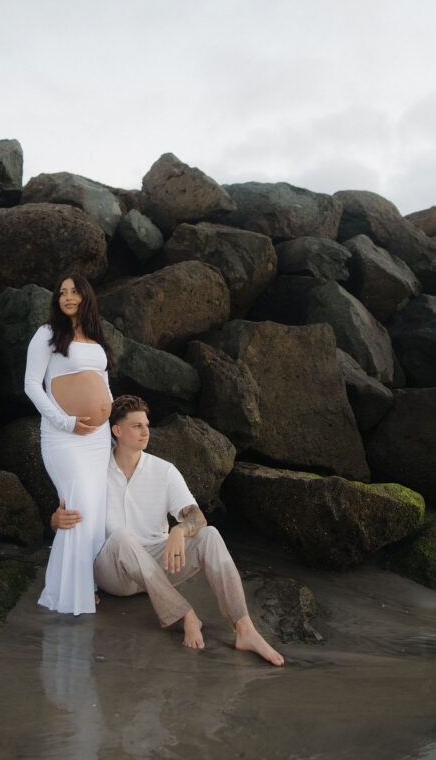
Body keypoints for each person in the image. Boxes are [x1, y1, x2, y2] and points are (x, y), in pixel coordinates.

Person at [52, 394, 284, 665]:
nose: (145, 431)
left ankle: (245, 630)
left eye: (147, 425)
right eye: (137, 426)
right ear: (117, 431)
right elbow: (64, 523)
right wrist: (56, 521)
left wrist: (179, 531)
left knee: (210, 535)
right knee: (122, 538)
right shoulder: (95, 471)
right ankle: (185, 614)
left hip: (159, 565)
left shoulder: (164, 471)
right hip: (114, 571)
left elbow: (196, 517)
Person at [24, 273, 114, 616]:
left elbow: (104, 387)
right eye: (62, 292)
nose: (67, 297)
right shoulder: (47, 334)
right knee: (77, 508)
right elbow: (32, 385)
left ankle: (86, 582)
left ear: (86, 296)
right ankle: (65, 593)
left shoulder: (95, 337)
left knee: (94, 513)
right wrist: (65, 422)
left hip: (97, 440)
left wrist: (108, 419)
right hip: (64, 437)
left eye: (74, 291)